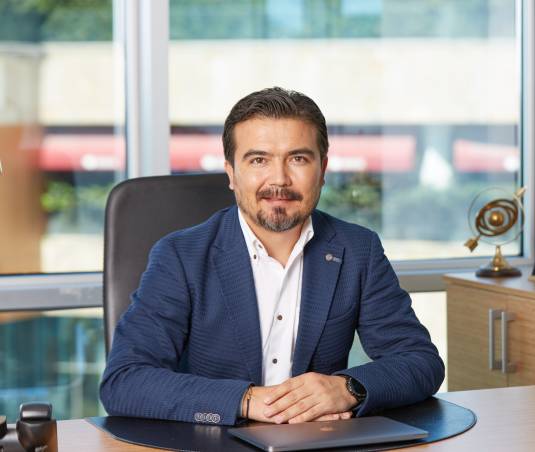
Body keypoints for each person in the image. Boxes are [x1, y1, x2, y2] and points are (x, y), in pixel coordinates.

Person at [99, 87, 444, 426]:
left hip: (319, 441)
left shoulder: (358, 250)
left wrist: (347, 388)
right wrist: (247, 400)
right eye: (259, 160)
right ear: (231, 173)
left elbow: (420, 361)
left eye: (298, 159)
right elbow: (124, 381)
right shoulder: (180, 256)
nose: (279, 179)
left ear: (323, 169)